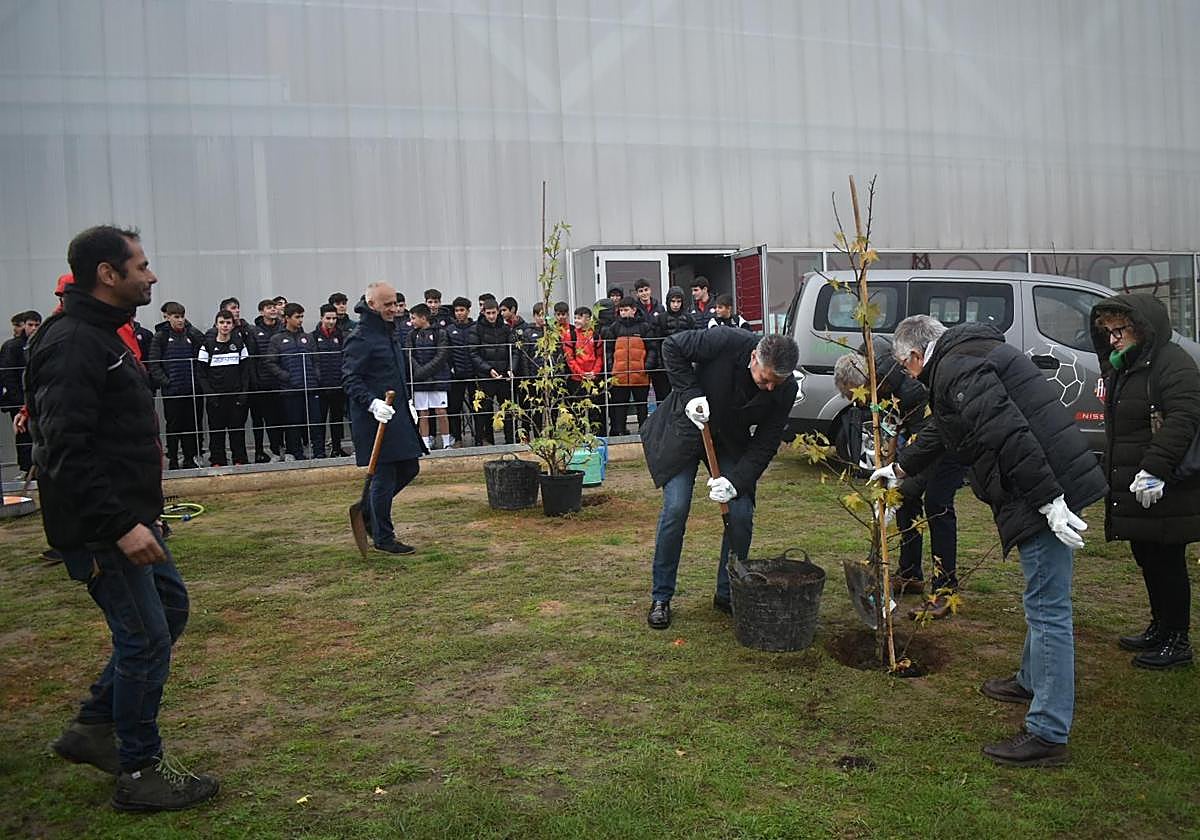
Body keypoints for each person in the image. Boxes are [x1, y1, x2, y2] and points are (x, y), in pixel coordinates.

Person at [29, 225, 218, 811]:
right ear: (107, 274)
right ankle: (138, 772)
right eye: (141, 266)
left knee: (169, 610)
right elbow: (65, 449)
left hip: (132, 517)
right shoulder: (74, 343)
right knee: (144, 641)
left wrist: (146, 514)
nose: (152, 275)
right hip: (103, 527)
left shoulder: (107, 335)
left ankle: (92, 727)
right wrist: (118, 524)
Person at [870, 314, 1105, 767]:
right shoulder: (966, 358)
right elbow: (947, 428)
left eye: (907, 368)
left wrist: (1050, 500)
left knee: (1048, 606)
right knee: (1041, 596)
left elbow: (1008, 432)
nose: (911, 377)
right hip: (1040, 481)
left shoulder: (958, 368)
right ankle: (1030, 680)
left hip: (1039, 486)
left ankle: (1048, 732)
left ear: (916, 356)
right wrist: (900, 470)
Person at [640, 330, 799, 629]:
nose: (768, 388)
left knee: (740, 513)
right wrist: (691, 395)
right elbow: (672, 347)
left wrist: (736, 482)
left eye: (774, 384)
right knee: (675, 508)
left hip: (728, 441)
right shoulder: (727, 341)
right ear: (754, 357)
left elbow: (766, 443)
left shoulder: (785, 389)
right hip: (688, 429)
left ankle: (728, 594)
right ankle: (661, 597)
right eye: (764, 379)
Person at [1090, 294, 1200, 669]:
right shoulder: (1126, 365)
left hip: (1165, 484)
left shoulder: (1172, 364)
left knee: (1168, 560)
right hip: (1137, 483)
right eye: (1108, 331)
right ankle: (1160, 626)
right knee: (1148, 555)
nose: (1113, 339)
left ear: (1141, 327)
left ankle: (1178, 640)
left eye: (1120, 330)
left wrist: (1154, 468)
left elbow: (1183, 419)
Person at [833, 342, 966, 616]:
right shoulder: (879, 376)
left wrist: (901, 485)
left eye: (859, 396)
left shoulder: (912, 391)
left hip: (949, 442)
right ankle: (910, 573)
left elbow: (928, 448)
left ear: (872, 382)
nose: (859, 402)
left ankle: (944, 589)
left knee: (937, 505)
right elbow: (893, 426)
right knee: (906, 501)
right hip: (924, 443)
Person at [342, 282, 426, 554]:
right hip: (376, 418)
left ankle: (368, 511)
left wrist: (407, 400)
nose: (394, 309)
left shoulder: (389, 332)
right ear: (371, 305)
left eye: (395, 303)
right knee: (385, 475)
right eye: (387, 304)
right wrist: (372, 403)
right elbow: (350, 379)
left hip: (397, 411)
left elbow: (393, 371)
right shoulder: (361, 337)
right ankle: (383, 537)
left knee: (410, 467)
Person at [148, 302, 204, 470]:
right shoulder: (161, 336)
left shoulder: (190, 334)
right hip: (172, 392)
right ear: (168, 317)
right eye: (176, 317)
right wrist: (167, 382)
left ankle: (190, 457)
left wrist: (191, 329)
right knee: (173, 426)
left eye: (182, 317)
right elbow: (154, 363)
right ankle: (172, 458)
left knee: (191, 426)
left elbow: (203, 347)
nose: (180, 320)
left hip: (191, 390)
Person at [196, 309, 251, 466]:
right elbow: (201, 374)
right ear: (216, 324)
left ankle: (240, 460)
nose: (225, 326)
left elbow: (245, 372)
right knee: (216, 432)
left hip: (235, 398)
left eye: (228, 323)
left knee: (237, 432)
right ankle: (217, 461)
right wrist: (210, 395)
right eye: (222, 322)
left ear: (233, 325)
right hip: (216, 399)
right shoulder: (207, 345)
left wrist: (243, 394)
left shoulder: (239, 344)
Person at [265, 302, 318, 461]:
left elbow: (316, 360)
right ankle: (296, 453)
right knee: (293, 423)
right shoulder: (277, 339)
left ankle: (319, 452)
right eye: (297, 317)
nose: (300, 320)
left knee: (314, 422)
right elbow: (270, 362)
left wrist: (315, 376)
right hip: (290, 389)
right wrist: (285, 376)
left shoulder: (308, 338)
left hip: (310, 386)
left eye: (302, 316)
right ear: (287, 318)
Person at [603, 297, 657, 436]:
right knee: (620, 406)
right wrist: (611, 368)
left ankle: (644, 431)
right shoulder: (614, 328)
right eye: (621, 310)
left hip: (640, 375)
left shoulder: (644, 327)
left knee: (641, 405)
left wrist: (647, 366)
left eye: (626, 310)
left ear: (634, 310)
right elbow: (608, 349)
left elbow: (652, 348)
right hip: (619, 375)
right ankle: (620, 431)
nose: (623, 313)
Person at [467, 298, 516, 445]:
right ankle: (483, 441)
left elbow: (514, 350)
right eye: (488, 313)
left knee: (507, 409)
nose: (491, 316)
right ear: (483, 312)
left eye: (494, 313)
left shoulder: (506, 328)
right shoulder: (476, 329)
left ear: (498, 312)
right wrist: (488, 369)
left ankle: (510, 439)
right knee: (484, 411)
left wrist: (511, 368)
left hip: (504, 375)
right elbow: (473, 353)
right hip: (486, 375)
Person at [405, 303, 453, 450]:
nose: (411, 321)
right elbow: (409, 354)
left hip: (438, 378)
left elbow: (442, 355)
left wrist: (425, 372)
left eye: (413, 318)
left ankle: (446, 443)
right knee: (423, 413)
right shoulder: (412, 335)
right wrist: (419, 373)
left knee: (441, 411)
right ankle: (425, 444)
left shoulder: (441, 333)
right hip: (420, 380)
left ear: (423, 317)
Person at [1, 310, 41, 474]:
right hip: (19, 399)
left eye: (37, 325)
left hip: (31, 398)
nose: (34, 328)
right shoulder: (14, 347)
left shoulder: (36, 344)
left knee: (32, 435)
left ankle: (33, 468)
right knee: (24, 434)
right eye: (30, 325)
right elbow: (9, 375)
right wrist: (19, 402)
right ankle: (27, 469)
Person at [311, 304, 348, 457]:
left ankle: (337, 448)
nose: (331, 321)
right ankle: (319, 451)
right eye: (328, 318)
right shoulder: (313, 336)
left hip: (338, 384)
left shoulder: (341, 336)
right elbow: (313, 361)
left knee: (337, 419)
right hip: (320, 386)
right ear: (321, 318)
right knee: (319, 420)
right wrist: (318, 379)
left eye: (334, 318)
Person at [249, 298, 284, 462]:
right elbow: (252, 358)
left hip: (281, 382)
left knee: (279, 419)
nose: (273, 310)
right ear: (261, 311)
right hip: (262, 383)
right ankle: (265, 451)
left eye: (274, 307)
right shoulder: (254, 331)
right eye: (268, 308)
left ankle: (280, 449)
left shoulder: (283, 328)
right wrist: (256, 380)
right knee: (263, 419)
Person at [563, 305, 605, 435]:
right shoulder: (570, 335)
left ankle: (596, 438)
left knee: (594, 411)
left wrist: (595, 372)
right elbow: (569, 358)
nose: (576, 321)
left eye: (579, 318)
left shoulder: (596, 335)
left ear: (588, 319)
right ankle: (577, 439)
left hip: (593, 378)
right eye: (575, 318)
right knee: (577, 411)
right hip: (576, 379)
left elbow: (599, 356)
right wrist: (581, 374)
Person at [445, 297, 475, 447]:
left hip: (474, 373)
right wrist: (452, 368)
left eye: (462, 310)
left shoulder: (475, 328)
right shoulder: (449, 330)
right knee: (454, 407)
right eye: (456, 310)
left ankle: (482, 438)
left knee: (478, 407)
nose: (459, 313)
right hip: (456, 375)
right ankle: (457, 438)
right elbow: (447, 352)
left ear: (468, 311)